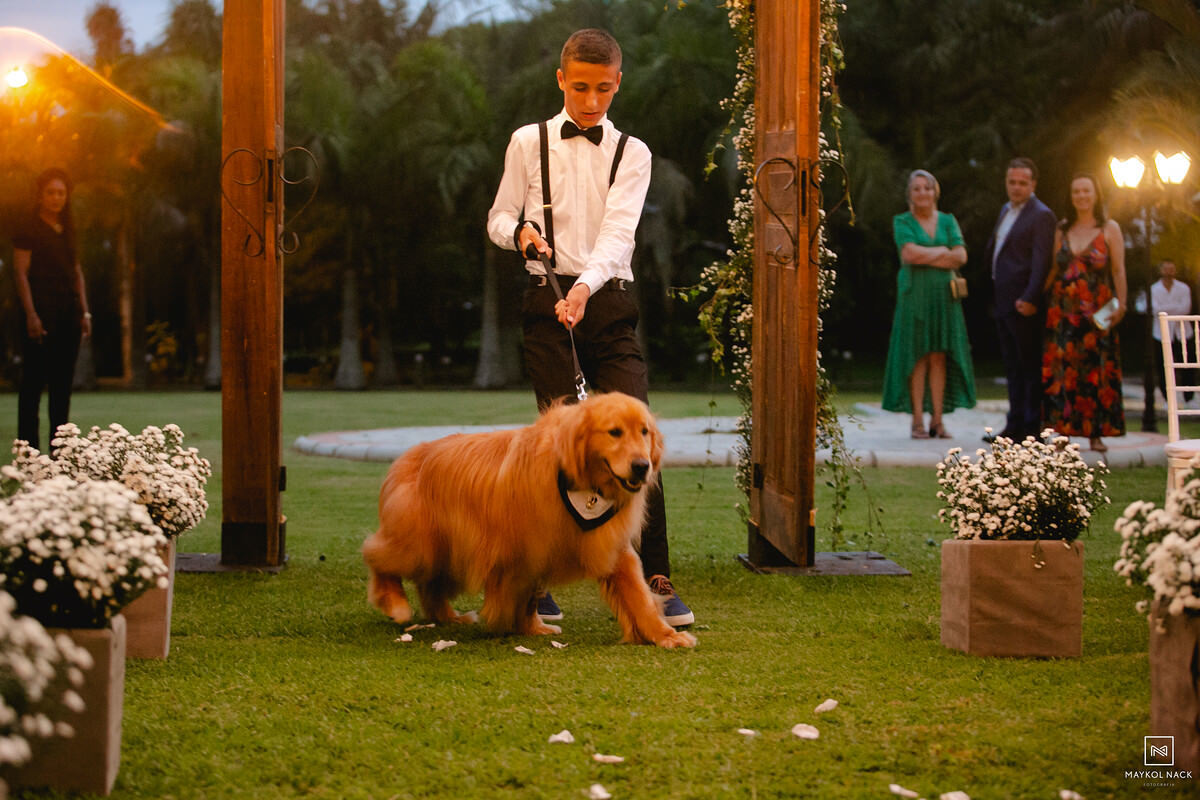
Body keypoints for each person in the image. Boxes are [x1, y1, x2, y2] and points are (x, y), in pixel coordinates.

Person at [486, 28, 692, 627]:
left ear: (618, 82)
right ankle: (538, 578)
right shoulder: (527, 141)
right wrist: (520, 234)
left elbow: (619, 234)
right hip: (544, 301)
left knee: (638, 437)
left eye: (603, 88)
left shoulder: (634, 152)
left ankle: (655, 579)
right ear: (560, 80)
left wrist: (583, 290)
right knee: (557, 446)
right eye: (580, 88)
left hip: (608, 304)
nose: (592, 101)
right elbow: (498, 216)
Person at [881, 169, 976, 438]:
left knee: (939, 356)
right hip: (915, 296)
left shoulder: (947, 220)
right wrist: (943, 252)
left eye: (927, 187)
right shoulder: (902, 221)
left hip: (944, 297)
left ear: (935, 192)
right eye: (917, 188)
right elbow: (909, 254)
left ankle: (937, 420)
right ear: (909, 194)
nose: (922, 192)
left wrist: (931, 255)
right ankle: (917, 420)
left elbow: (961, 256)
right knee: (918, 355)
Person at [1042, 172, 1127, 452]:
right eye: (1076, 191)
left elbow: (1118, 269)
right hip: (1062, 311)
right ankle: (1063, 433)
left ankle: (1095, 434)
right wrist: (1035, 296)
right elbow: (1054, 267)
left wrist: (1122, 304)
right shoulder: (1062, 228)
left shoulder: (1109, 228)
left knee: (1094, 370)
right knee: (1063, 370)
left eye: (1086, 191)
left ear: (1096, 194)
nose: (1081, 196)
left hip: (1096, 311)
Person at [12, 167, 92, 451]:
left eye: (61, 193)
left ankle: (60, 455)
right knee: (32, 386)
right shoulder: (28, 228)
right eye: (51, 192)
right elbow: (20, 273)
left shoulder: (69, 228)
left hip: (69, 314)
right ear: (40, 195)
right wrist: (31, 314)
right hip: (40, 314)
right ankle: (29, 454)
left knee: (62, 388)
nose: (56, 198)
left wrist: (84, 312)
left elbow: (77, 271)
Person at [984, 157, 1056, 443]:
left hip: (1024, 303)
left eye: (1022, 183)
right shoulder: (1006, 209)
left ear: (1033, 184)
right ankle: (1013, 426)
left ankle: (1031, 427)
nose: (1016, 187)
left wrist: (1031, 297)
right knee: (1012, 367)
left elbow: (1041, 261)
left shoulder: (1041, 215)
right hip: (1002, 299)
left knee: (1029, 367)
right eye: (1012, 182)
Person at [1150, 259, 1194, 406]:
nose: (1168, 273)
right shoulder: (1154, 289)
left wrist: (1166, 309)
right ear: (1161, 271)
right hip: (1161, 334)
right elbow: (1156, 310)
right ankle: (1167, 399)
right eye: (1166, 269)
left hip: (1183, 333)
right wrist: (1174, 307)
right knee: (1164, 367)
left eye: (1171, 269)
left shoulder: (1183, 288)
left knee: (1187, 365)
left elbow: (1185, 309)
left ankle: (1189, 398)